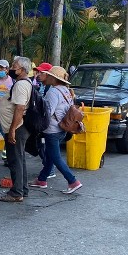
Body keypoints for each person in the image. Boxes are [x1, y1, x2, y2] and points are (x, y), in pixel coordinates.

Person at [28, 66, 83, 194]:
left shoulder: (53, 92)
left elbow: (48, 112)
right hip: (62, 128)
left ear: (54, 78)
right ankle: (41, 179)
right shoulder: (66, 90)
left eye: (48, 75)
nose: (46, 77)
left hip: (52, 130)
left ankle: (72, 181)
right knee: (50, 156)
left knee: (55, 157)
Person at [0, 56, 33, 202]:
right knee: (19, 159)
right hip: (17, 127)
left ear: (23, 70)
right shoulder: (22, 83)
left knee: (15, 160)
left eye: (14, 66)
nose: (12, 68)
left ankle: (17, 192)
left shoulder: (20, 85)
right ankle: (22, 189)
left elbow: (20, 108)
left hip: (17, 128)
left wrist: (12, 130)